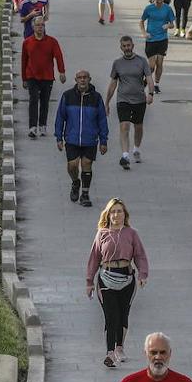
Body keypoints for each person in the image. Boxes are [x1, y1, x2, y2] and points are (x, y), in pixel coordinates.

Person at [86, 198, 149, 362]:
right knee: (111, 314)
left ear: (124, 214)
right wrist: (89, 281)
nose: (116, 214)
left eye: (119, 211)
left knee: (122, 314)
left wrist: (143, 274)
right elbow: (94, 258)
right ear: (108, 214)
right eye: (113, 211)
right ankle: (109, 352)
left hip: (127, 278)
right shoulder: (102, 233)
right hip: (106, 278)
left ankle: (120, 347)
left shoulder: (131, 233)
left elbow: (140, 255)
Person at [56, 71, 110, 207]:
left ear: (89, 80)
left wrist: (103, 141)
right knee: (72, 165)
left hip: (90, 139)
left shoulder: (96, 98)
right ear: (76, 80)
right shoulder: (67, 96)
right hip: (72, 138)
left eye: (85, 77)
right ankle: (75, 182)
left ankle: (85, 194)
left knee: (87, 164)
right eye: (80, 78)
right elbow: (60, 117)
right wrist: (59, 137)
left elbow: (102, 119)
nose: (82, 80)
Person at [105, 35, 153, 169]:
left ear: (132, 46)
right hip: (123, 99)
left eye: (129, 45)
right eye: (124, 46)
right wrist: (107, 102)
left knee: (138, 127)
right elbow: (113, 84)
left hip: (139, 100)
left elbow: (149, 79)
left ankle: (136, 149)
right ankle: (125, 155)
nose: (127, 48)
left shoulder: (142, 61)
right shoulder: (117, 63)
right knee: (124, 126)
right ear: (121, 47)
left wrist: (150, 93)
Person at [21, 18, 67, 137]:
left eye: (42, 25)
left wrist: (61, 72)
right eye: (37, 25)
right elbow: (24, 61)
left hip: (47, 76)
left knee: (45, 102)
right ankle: (32, 127)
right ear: (33, 27)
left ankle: (42, 125)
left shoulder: (52, 42)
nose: (40, 27)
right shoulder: (27, 42)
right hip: (32, 76)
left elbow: (59, 56)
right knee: (33, 100)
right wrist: (24, 79)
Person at [140, 0, 175, 93]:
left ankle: (156, 84)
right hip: (151, 39)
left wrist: (168, 25)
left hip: (162, 39)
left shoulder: (167, 9)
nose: (159, 1)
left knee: (159, 63)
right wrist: (144, 33)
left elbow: (173, 24)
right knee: (151, 66)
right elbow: (141, 21)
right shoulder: (149, 8)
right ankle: (145, 81)